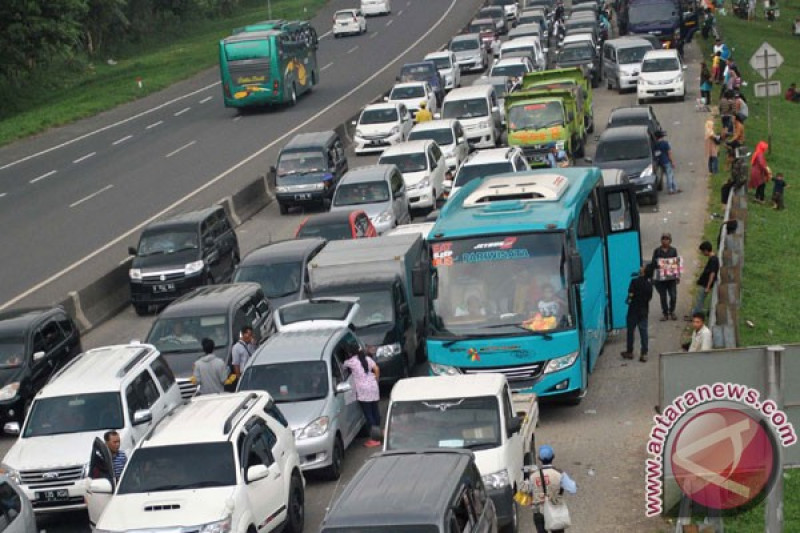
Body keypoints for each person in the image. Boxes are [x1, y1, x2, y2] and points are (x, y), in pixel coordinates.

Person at [531, 445, 577, 533]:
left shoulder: (533, 476)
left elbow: (526, 491)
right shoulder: (559, 473)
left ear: (539, 458)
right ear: (553, 457)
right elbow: (573, 489)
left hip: (539, 512)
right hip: (556, 510)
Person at [343, 347, 381, 447]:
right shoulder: (367, 359)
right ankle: (379, 432)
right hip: (373, 387)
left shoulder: (351, 362)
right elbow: (376, 369)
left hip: (363, 391)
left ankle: (375, 439)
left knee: (369, 415)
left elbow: (343, 365)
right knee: (375, 411)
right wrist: (376, 380)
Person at [621, 263, 654, 362]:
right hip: (643, 310)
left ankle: (629, 351)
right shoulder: (649, 285)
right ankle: (644, 353)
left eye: (643, 267)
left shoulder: (634, 281)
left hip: (633, 310)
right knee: (643, 332)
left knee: (630, 331)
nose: (641, 267)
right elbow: (649, 298)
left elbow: (631, 294)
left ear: (643, 271)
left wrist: (629, 300)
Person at [651, 233, 680, 321]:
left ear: (670, 240)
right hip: (661, 278)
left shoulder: (673, 250)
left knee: (673, 296)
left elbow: (676, 263)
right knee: (663, 296)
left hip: (671, 278)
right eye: (663, 239)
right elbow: (653, 263)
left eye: (667, 239)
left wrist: (677, 276)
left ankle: (672, 311)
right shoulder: (657, 251)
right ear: (661, 240)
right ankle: (665, 313)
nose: (665, 240)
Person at [691, 241, 719, 316]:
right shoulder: (712, 258)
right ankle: (695, 314)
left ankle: (696, 315)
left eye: (703, 251)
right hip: (704, 283)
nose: (703, 253)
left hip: (705, 284)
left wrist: (708, 286)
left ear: (706, 250)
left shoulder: (713, 260)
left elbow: (712, 274)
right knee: (699, 300)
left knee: (700, 301)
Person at [705, 110, 720, 176]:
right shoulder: (709, 131)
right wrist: (717, 138)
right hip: (712, 147)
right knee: (714, 159)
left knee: (711, 158)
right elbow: (712, 136)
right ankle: (715, 171)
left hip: (709, 147)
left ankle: (710, 170)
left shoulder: (707, 130)